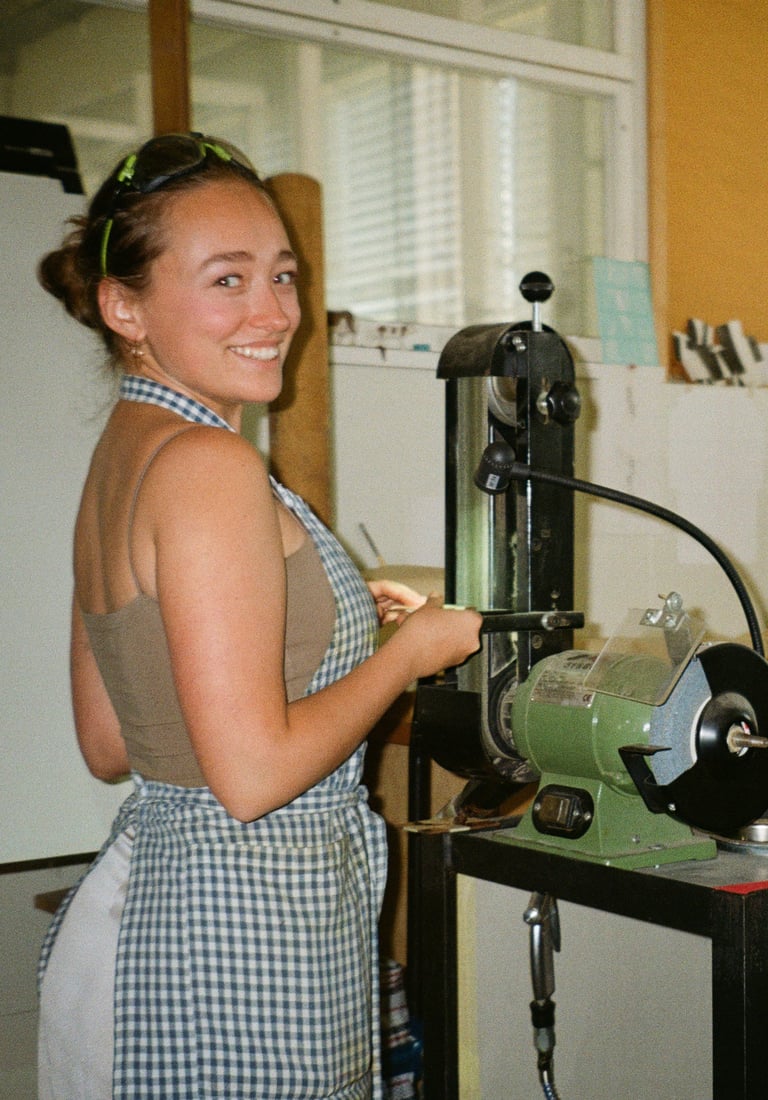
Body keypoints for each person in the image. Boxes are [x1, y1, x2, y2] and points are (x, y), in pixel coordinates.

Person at [35, 132, 482, 1099]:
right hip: (248, 932)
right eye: (227, 280)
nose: (274, 312)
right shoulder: (209, 465)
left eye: (283, 275)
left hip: (149, 924)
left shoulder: (123, 454)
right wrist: (407, 655)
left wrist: (332, 630)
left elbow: (112, 742)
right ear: (124, 306)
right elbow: (249, 779)